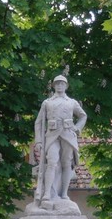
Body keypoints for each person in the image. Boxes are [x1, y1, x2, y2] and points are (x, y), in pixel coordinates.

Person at [33, 74, 87, 207]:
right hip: (52, 135)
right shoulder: (47, 103)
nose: (59, 86)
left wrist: (77, 128)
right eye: (57, 84)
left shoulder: (72, 102)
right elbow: (39, 122)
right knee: (51, 161)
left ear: (66, 86)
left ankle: (63, 193)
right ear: (54, 86)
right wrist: (39, 141)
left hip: (68, 135)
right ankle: (47, 193)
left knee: (66, 163)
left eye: (62, 84)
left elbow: (83, 116)